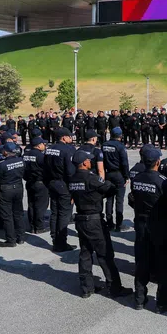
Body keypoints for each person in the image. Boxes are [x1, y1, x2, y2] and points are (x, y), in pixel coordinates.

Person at [69, 150, 132, 299]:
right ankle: (115, 288)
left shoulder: (72, 179)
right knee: (105, 255)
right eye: (89, 160)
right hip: (94, 221)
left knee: (85, 253)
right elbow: (110, 189)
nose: (90, 162)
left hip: (80, 219)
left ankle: (86, 288)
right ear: (84, 163)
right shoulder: (92, 179)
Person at [129, 147, 167, 312]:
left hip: (141, 223)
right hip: (159, 225)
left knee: (142, 262)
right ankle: (162, 301)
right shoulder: (162, 181)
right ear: (158, 162)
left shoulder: (137, 179)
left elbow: (132, 200)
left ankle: (139, 299)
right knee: (163, 264)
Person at [44, 128, 77, 252]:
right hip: (64, 184)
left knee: (55, 212)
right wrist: (73, 189)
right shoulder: (68, 150)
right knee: (64, 214)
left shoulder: (49, 149)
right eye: (69, 136)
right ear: (63, 138)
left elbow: (45, 168)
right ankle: (61, 242)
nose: (71, 138)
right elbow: (70, 171)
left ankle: (55, 239)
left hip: (52, 183)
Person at [0, 142, 26, 246]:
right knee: (18, 214)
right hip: (18, 188)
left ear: (5, 152)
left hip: (6, 190)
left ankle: (11, 240)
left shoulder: (2, 164)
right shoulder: (21, 161)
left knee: (7, 216)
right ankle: (20, 237)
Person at [102, 127, 130, 232]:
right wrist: (127, 176)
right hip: (118, 174)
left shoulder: (104, 145)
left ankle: (109, 223)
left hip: (108, 173)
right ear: (120, 135)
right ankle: (119, 224)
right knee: (119, 200)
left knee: (109, 199)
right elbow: (124, 163)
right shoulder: (120, 146)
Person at [22, 137, 49, 233]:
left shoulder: (25, 155)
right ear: (38, 145)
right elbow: (46, 168)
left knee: (31, 204)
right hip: (40, 183)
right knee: (40, 206)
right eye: (43, 144)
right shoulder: (41, 156)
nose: (44, 146)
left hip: (29, 182)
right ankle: (39, 227)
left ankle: (32, 225)